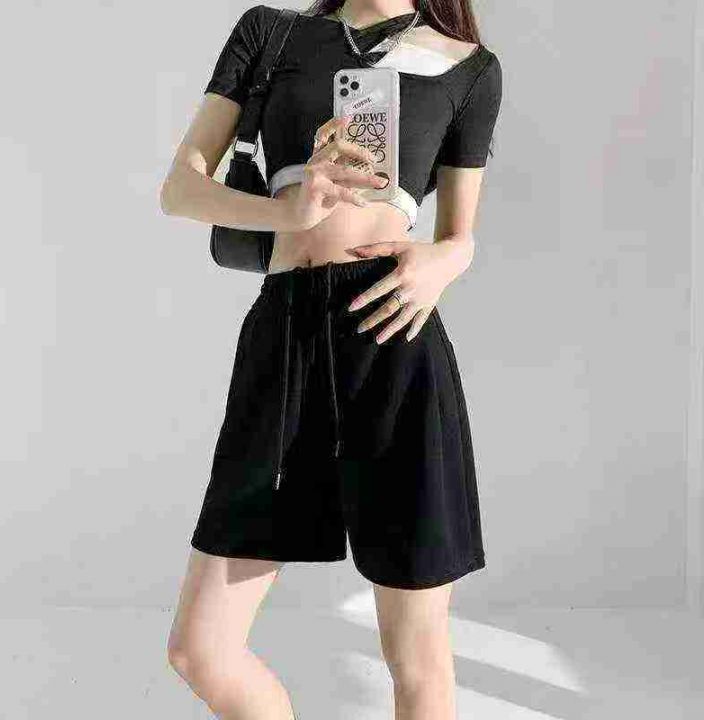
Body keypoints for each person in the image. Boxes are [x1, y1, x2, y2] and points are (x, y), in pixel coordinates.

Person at [160, 1, 503, 717]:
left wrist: (446, 260)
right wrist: (287, 214)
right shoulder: (271, 34)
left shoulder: (470, 69)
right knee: (201, 648)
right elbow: (180, 190)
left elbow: (459, 237)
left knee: (418, 660)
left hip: (393, 331)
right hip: (284, 334)